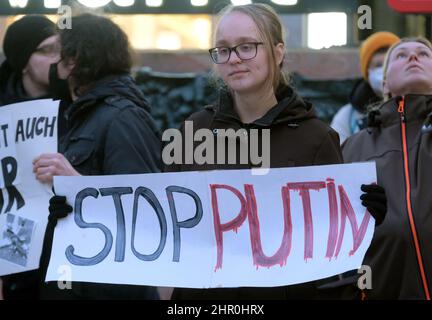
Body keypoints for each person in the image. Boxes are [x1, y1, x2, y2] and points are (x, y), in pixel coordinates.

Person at [166, 3, 385, 299]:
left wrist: (365, 216)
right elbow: (169, 225)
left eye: (247, 47)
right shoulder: (193, 131)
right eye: (223, 49)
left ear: (278, 52)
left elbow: (333, 248)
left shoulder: (316, 138)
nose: (234, 59)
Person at [33, 14, 162, 299]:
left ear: (74, 59)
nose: (54, 62)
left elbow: (146, 210)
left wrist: (78, 184)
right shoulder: (83, 114)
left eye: (58, 51)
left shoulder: (122, 117)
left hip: (106, 288)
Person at [343, 37, 432, 299]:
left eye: (424, 54)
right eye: (401, 55)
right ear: (384, 83)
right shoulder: (351, 148)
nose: (413, 57)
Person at [0, 15, 61, 300]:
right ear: (24, 60)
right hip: (13, 239)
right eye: (48, 50)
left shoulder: (76, 101)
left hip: (61, 234)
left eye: (61, 49)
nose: (58, 58)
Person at [331, 31, 400, 144]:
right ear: (367, 72)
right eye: (378, 65)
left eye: (389, 63)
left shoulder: (420, 108)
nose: (384, 71)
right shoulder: (347, 117)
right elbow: (339, 154)